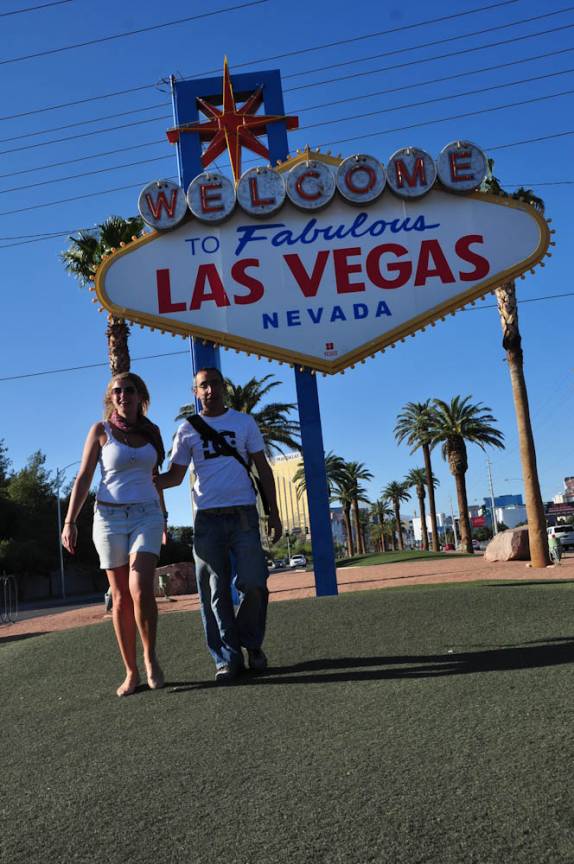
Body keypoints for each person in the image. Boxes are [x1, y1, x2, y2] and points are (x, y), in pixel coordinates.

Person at [158, 367, 282, 683]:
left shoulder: (243, 422)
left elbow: (263, 469)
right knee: (214, 592)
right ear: (195, 392)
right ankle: (227, 659)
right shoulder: (187, 429)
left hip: (243, 514)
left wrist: (274, 512)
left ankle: (250, 644)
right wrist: (145, 480)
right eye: (203, 386)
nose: (210, 390)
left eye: (214, 384)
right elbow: (175, 476)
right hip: (207, 520)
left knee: (254, 582)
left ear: (223, 388)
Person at [61, 372, 167, 697]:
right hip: (108, 518)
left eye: (129, 390)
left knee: (140, 587)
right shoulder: (100, 431)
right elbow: (83, 477)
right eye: (117, 391)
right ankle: (131, 671)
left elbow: (155, 477)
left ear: (140, 396)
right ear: (112, 398)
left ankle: (150, 658)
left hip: (146, 514)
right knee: (119, 596)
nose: (123, 396)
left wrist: (163, 516)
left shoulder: (152, 433)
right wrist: (69, 521)